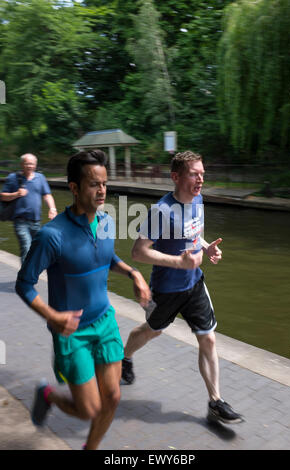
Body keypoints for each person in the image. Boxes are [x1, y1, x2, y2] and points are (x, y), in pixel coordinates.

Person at [15, 149, 151, 450]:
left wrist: (133, 274)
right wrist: (52, 315)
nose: (101, 190)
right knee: (89, 409)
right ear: (75, 188)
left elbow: (106, 258)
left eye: (104, 183)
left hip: (105, 321)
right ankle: (49, 395)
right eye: (93, 184)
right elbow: (24, 284)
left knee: (113, 397)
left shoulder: (105, 222)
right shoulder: (52, 236)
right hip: (71, 332)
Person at [122, 150, 243, 425]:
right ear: (176, 177)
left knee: (208, 338)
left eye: (202, 173)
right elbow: (138, 253)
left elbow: (194, 234)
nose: (200, 178)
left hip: (194, 284)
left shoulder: (199, 200)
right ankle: (125, 357)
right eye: (193, 173)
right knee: (152, 331)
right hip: (166, 289)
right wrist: (178, 262)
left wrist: (206, 247)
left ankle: (216, 401)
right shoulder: (161, 211)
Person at [0, 153, 57, 264]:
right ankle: (25, 279)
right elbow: (2, 196)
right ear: (22, 164)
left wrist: (52, 208)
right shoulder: (13, 178)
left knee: (38, 248)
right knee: (26, 247)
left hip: (36, 221)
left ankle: (31, 272)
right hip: (20, 222)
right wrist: (16, 194)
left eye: (32, 164)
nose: (30, 166)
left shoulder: (40, 178)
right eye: (27, 163)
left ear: (35, 165)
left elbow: (47, 195)